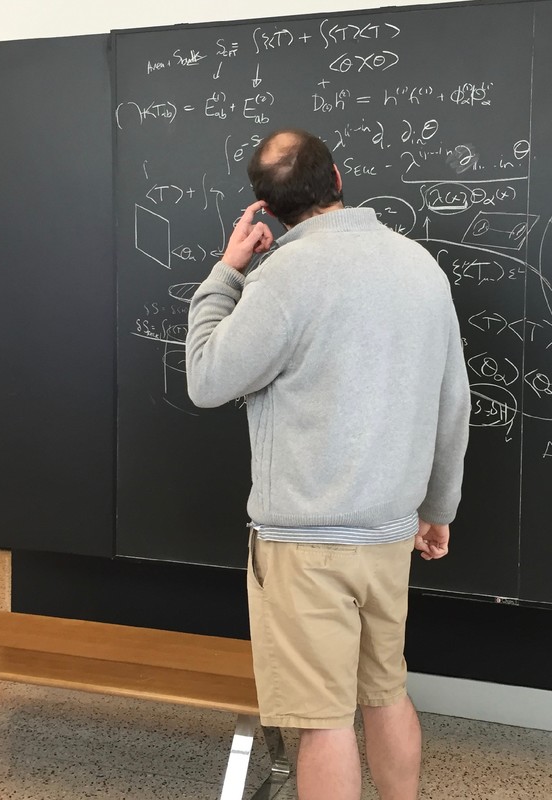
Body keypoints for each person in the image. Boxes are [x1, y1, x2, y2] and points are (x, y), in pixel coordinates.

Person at [185, 129, 470, 800]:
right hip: (390, 532)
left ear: (266, 207)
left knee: (323, 721)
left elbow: (205, 378)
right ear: (337, 177)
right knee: (386, 692)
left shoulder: (280, 277)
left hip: (303, 545)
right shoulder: (420, 266)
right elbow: (452, 402)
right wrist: (439, 509)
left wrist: (227, 272)